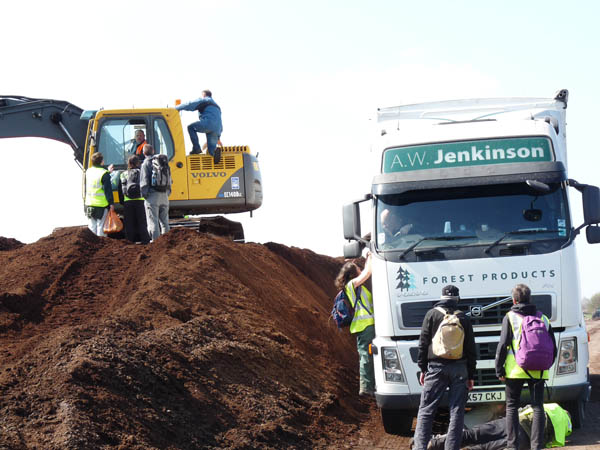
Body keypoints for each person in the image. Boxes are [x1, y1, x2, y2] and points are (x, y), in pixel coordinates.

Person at [413, 285, 477, 450]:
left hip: (435, 368)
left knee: (427, 410)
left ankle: (420, 447)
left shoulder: (432, 314)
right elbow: (471, 350)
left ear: (441, 297)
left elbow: (423, 344)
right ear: (457, 299)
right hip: (459, 369)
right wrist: (471, 375)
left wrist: (423, 368)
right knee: (457, 411)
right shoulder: (463, 318)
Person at [495, 284, 557, 450]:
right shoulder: (543, 318)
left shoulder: (510, 317)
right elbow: (553, 347)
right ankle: (537, 446)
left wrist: (499, 369)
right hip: (539, 371)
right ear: (530, 299)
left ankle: (512, 446)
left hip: (515, 371)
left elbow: (503, 346)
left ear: (514, 300)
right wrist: (545, 366)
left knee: (512, 407)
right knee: (538, 407)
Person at [420, 402, 572, 450]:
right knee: (485, 448)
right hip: (524, 442)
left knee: (475, 434)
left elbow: (528, 409)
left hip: (513, 424)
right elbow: (550, 444)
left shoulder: (553, 407)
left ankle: (434, 443)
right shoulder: (565, 430)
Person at [334, 253, 375, 396]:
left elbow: (365, 271)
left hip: (366, 325)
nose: (360, 270)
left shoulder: (357, 288)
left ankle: (370, 385)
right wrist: (370, 256)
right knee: (366, 356)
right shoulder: (351, 285)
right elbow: (368, 272)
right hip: (364, 325)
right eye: (358, 268)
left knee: (368, 355)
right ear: (353, 275)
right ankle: (366, 388)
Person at [176, 90, 223, 163]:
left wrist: (176, 108)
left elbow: (189, 104)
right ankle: (214, 152)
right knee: (211, 151)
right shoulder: (217, 106)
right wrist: (218, 137)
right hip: (217, 128)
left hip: (208, 123)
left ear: (204, 95)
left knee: (191, 127)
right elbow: (219, 121)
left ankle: (196, 148)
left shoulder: (205, 100)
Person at [140, 144, 171, 241]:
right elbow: (169, 179)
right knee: (165, 222)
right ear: (153, 151)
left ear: (143, 153)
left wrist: (146, 196)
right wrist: (167, 193)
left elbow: (144, 182)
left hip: (153, 197)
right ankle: (166, 243)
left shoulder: (146, 163)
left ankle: (156, 244)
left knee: (153, 222)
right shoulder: (163, 162)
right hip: (164, 195)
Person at [118, 155, 150, 244]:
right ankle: (146, 241)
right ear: (138, 163)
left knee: (129, 224)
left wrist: (123, 202)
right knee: (142, 222)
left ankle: (129, 242)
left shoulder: (123, 174)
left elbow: (120, 190)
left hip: (128, 202)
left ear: (129, 163)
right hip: (141, 201)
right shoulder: (142, 173)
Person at [84, 152, 114, 236]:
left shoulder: (88, 171)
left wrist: (107, 172)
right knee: (101, 228)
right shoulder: (104, 174)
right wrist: (111, 203)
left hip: (89, 204)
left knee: (92, 228)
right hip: (101, 205)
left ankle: (91, 247)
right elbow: (108, 190)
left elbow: (96, 178)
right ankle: (102, 248)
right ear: (102, 161)